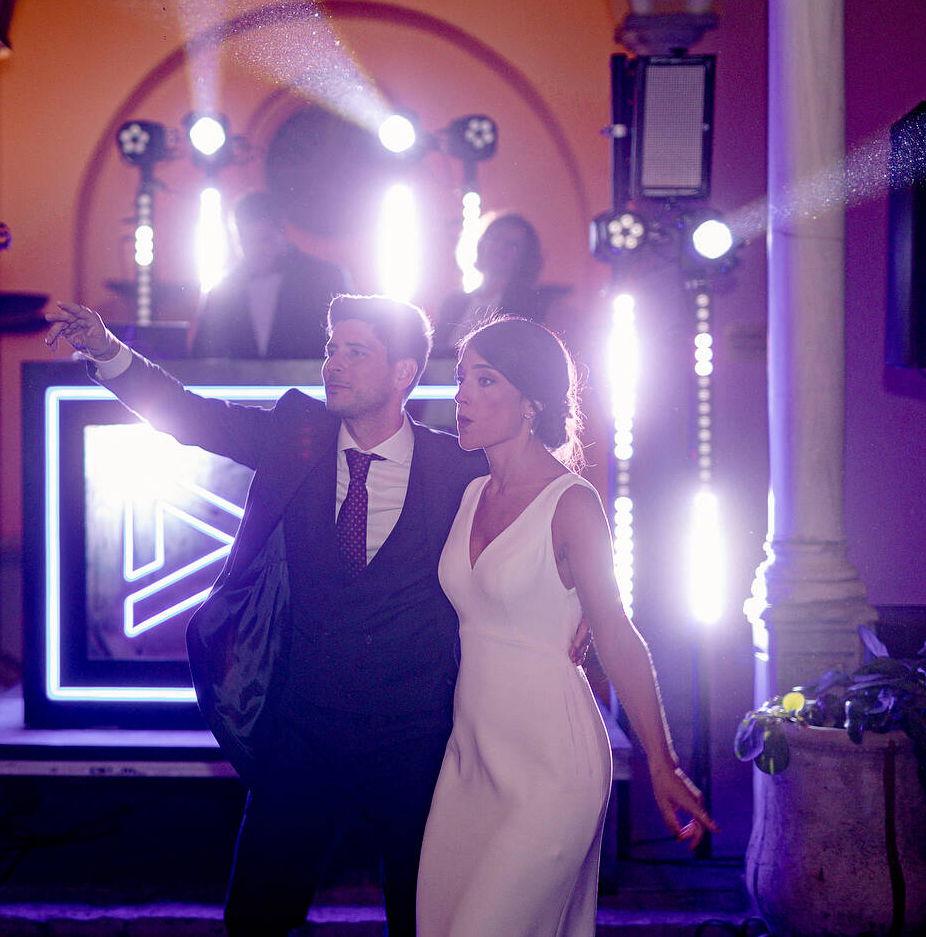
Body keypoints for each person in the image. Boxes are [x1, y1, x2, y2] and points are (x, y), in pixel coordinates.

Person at [46, 295, 554, 936]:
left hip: (416, 740)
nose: (333, 364)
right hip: (305, 730)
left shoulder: (457, 466)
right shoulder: (297, 435)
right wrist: (108, 351)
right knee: (254, 920)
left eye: (355, 351)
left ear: (403, 373)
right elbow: (190, 417)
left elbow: (542, 510)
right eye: (330, 349)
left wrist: (578, 610)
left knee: (425, 921)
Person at [416, 316, 718, 935]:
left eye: (483, 380)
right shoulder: (470, 491)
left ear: (531, 403)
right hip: (470, 763)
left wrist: (660, 762)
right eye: (460, 378)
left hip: (554, 768)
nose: (461, 395)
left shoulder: (572, 504)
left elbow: (616, 634)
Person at [192, 190, 350, 359]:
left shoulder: (325, 279)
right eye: (247, 241)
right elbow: (202, 355)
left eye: (264, 239)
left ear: (282, 231)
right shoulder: (220, 293)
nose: (256, 250)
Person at [432, 213, 569, 351]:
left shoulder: (530, 306)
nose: (500, 247)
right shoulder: (452, 303)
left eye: (511, 244)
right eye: (495, 239)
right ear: (481, 244)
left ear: (525, 256)